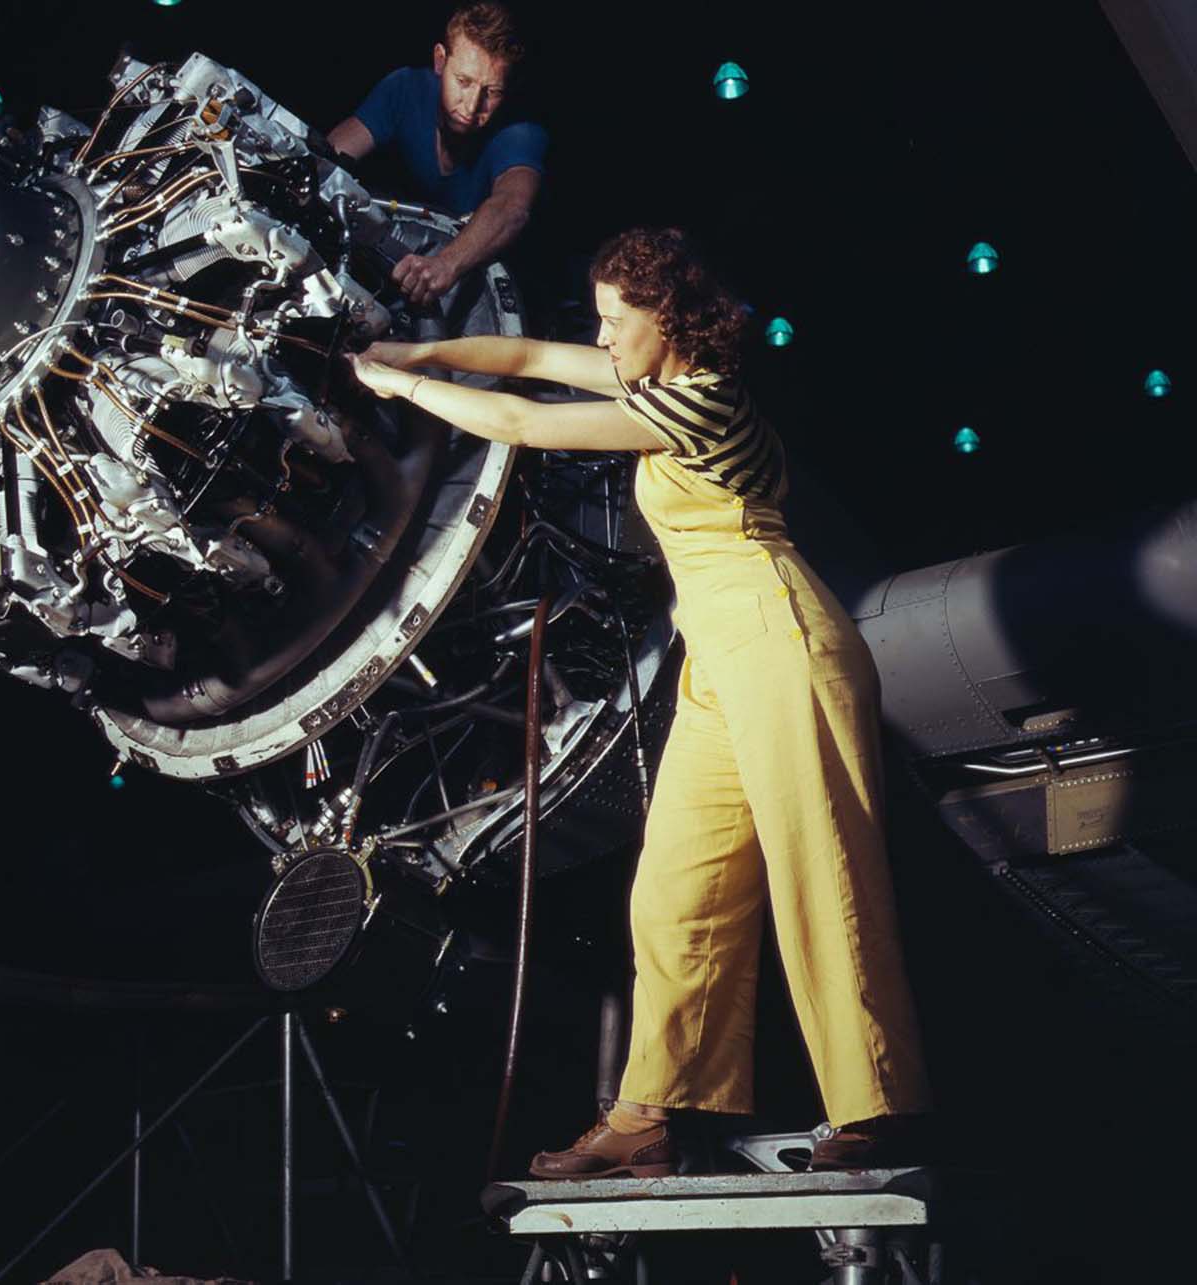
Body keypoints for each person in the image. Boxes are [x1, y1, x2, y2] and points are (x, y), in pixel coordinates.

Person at [349, 227, 932, 1176]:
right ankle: (649, 1115)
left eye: (619, 320)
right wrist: (419, 349)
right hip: (718, 651)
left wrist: (399, 389)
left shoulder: (696, 405)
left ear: (667, 321)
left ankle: (881, 1102)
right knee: (675, 890)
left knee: (820, 868)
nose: (604, 335)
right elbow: (530, 358)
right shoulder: (653, 380)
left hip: (780, 633)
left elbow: (530, 422)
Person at [327, 1, 547, 308]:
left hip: (479, 290)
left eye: (492, 92)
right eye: (463, 82)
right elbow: (327, 160)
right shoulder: (403, 88)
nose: (471, 107)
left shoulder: (521, 132)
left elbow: (511, 206)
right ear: (440, 60)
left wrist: (446, 264)